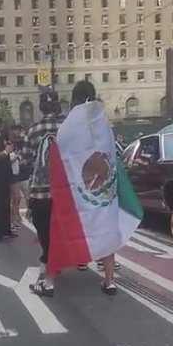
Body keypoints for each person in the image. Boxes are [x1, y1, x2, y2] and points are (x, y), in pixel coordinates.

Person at [63, 80, 118, 295]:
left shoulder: (71, 121)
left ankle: (82, 260)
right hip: (106, 183)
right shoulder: (101, 117)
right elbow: (111, 148)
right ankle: (110, 280)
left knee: (82, 223)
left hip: (81, 182)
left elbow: (64, 149)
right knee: (106, 228)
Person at [23, 90, 61, 296]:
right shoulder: (66, 128)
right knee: (60, 234)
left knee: (45, 236)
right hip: (65, 194)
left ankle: (48, 282)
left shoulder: (33, 130)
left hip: (40, 195)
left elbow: (26, 160)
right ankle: (55, 269)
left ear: (40, 108)